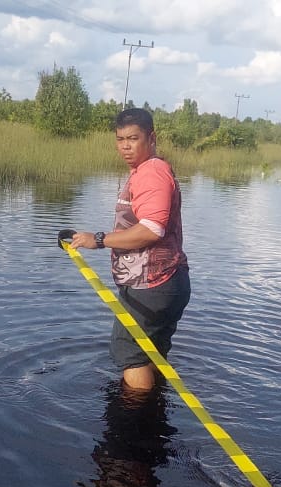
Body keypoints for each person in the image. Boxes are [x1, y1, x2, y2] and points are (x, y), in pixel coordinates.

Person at [68, 108, 191, 391]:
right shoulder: (146, 171)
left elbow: (151, 229)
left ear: (151, 138)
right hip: (164, 282)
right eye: (120, 139)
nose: (125, 146)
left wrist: (98, 240)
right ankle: (155, 422)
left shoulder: (152, 173)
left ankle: (134, 425)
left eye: (133, 138)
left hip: (153, 285)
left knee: (130, 354)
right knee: (151, 354)